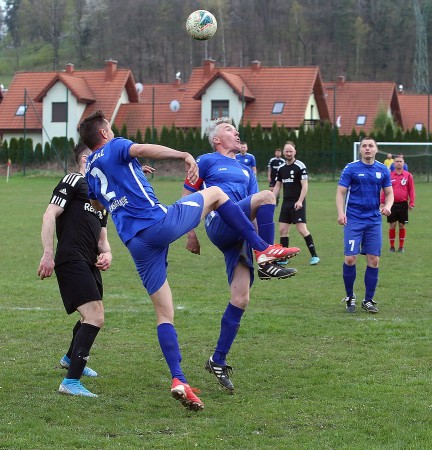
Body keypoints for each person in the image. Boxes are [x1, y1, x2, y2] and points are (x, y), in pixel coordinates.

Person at [79, 110, 298, 411]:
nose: (114, 133)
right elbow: (143, 148)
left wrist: (130, 177)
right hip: (158, 223)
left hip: (135, 243)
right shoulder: (116, 146)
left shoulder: (91, 167)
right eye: (111, 129)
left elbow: (96, 202)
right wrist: (182, 154)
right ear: (104, 134)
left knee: (164, 314)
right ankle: (263, 249)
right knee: (216, 193)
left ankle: (179, 380)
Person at [182, 118, 299, 394]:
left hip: (241, 233)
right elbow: (188, 196)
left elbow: (254, 211)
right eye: (229, 130)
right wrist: (190, 234)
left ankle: (217, 360)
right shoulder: (206, 161)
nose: (236, 133)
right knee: (268, 196)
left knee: (240, 298)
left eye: (236, 130)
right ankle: (267, 254)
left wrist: (253, 240)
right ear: (216, 139)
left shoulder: (246, 170)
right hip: (219, 223)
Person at [37, 143, 112, 398]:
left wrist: (107, 254)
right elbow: (49, 215)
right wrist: (48, 254)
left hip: (90, 263)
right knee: (95, 316)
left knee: (88, 316)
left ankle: (70, 359)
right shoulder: (74, 180)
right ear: (86, 159)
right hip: (71, 259)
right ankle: (70, 382)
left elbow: (103, 239)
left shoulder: (100, 197)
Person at [336, 137, 393, 314]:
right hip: (353, 219)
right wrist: (341, 212)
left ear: (376, 149)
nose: (367, 148)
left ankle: (368, 300)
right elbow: (340, 192)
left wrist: (388, 206)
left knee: (374, 260)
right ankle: (349, 296)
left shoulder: (383, 169)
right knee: (350, 258)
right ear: (360, 150)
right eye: (364, 146)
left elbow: (389, 193)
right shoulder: (351, 168)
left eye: (371, 146)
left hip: (373, 220)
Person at [272, 141, 320, 266]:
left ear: (295, 152)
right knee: (283, 230)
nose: (289, 153)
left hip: (297, 202)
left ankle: (314, 256)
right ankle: (284, 258)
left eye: (291, 151)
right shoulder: (281, 168)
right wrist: (271, 199)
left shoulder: (300, 166)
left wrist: (300, 201)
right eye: (287, 151)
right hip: (286, 202)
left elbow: (305, 185)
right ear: (283, 152)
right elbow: (278, 185)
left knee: (301, 229)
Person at [381, 155, 415, 253]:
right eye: (397, 161)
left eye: (400, 161)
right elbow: (384, 190)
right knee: (392, 225)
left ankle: (401, 247)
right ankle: (392, 247)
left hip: (403, 204)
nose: (399, 163)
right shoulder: (389, 175)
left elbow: (411, 190)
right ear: (394, 163)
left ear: (403, 163)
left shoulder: (408, 175)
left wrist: (411, 203)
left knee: (401, 225)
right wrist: (382, 202)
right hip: (391, 204)